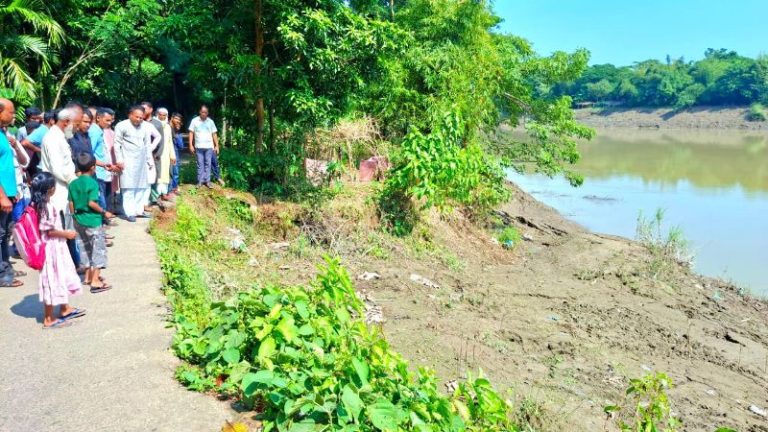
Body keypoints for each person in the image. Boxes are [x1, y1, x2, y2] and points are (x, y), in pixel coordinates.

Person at [30, 172, 85, 329]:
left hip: (57, 248)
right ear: (50, 189)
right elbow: (48, 231)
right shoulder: (46, 207)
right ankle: (48, 318)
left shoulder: (40, 204)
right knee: (52, 280)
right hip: (51, 249)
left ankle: (65, 308)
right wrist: (67, 234)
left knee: (61, 276)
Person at [69, 153, 113, 293]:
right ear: (93, 168)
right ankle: (95, 281)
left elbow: (70, 203)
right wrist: (103, 212)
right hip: (92, 220)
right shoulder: (92, 183)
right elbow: (91, 203)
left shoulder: (73, 183)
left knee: (84, 248)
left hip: (78, 220)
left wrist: (74, 216)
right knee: (98, 249)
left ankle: (88, 277)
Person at [114, 105, 156, 222]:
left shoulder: (144, 127)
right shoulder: (121, 125)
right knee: (129, 187)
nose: (139, 119)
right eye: (137, 117)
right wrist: (119, 160)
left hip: (141, 161)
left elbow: (147, 144)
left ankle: (138, 211)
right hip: (127, 160)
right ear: (130, 115)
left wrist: (149, 160)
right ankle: (129, 212)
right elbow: (117, 144)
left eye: (141, 118)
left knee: (141, 187)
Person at [0, 98, 22, 287]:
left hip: (9, 193)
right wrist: (2, 196)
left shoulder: (3, 133)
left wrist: (12, 191)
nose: (13, 115)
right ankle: (2, 274)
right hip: (2, 196)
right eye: (11, 111)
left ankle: (7, 268)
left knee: (6, 233)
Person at [89, 108, 115, 220]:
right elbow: (89, 152)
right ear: (98, 118)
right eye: (107, 120)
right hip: (96, 171)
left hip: (100, 171)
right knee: (100, 200)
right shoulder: (95, 132)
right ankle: (101, 226)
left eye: (111, 121)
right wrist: (102, 164)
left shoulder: (99, 130)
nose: (109, 123)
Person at [188, 105, 219, 188]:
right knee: (200, 164)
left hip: (209, 147)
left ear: (207, 113)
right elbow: (191, 133)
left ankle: (207, 181)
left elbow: (214, 134)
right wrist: (190, 145)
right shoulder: (194, 121)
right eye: (202, 112)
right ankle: (200, 181)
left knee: (208, 164)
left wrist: (217, 146)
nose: (204, 114)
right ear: (200, 112)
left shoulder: (210, 122)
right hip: (198, 147)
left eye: (205, 112)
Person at [155, 108, 176, 202]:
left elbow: (170, 141)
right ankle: (157, 195)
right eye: (160, 114)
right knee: (158, 174)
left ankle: (164, 193)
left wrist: (173, 155)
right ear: (157, 114)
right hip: (157, 153)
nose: (162, 117)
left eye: (164, 115)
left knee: (166, 173)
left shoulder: (168, 127)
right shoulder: (154, 125)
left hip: (166, 154)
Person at [169, 113, 184, 195]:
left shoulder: (176, 129)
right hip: (168, 152)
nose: (178, 121)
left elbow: (181, 146)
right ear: (172, 118)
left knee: (175, 171)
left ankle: (174, 187)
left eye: (179, 119)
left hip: (175, 151)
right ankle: (170, 188)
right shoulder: (167, 127)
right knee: (171, 171)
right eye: (176, 119)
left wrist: (178, 131)